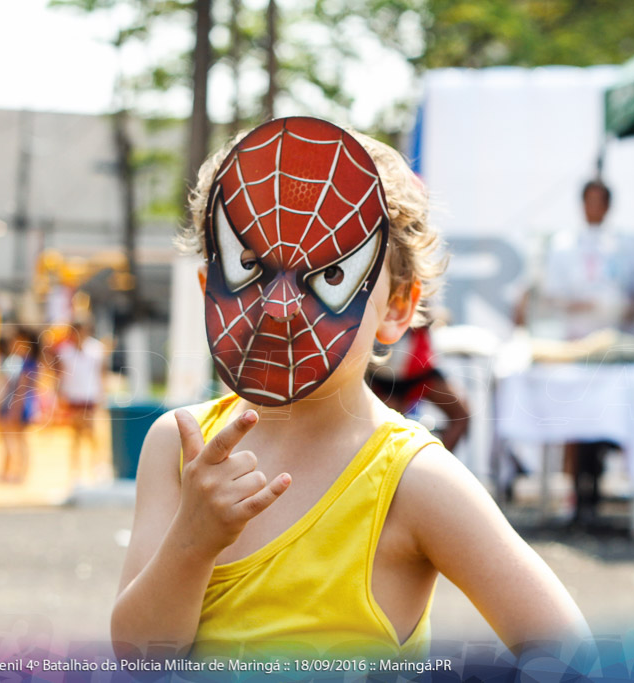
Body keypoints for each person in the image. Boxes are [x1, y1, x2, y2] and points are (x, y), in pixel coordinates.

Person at [112, 118, 588, 661]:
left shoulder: (412, 481)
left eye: (330, 276)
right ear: (208, 287)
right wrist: (191, 543)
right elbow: (138, 656)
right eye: (249, 267)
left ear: (399, 308)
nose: (278, 306)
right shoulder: (177, 446)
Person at [538, 179, 634, 522]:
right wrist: (585, 306)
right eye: (589, 200)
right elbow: (552, 296)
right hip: (577, 348)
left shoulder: (625, 246)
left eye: (600, 201)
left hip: (615, 350)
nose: (594, 207)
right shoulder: (564, 245)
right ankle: (580, 492)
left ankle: (601, 488)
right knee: (576, 423)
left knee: (609, 422)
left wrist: (620, 308)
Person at [55, 320, 107, 484]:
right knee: (76, 434)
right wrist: (59, 395)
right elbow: (60, 374)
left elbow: (101, 374)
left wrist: (102, 394)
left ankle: (97, 466)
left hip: (90, 396)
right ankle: (76, 470)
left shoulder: (96, 349)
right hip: (72, 396)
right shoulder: (65, 351)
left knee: (91, 433)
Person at [0, 328, 40, 484]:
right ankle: (18, 472)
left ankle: (20, 473)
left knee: (18, 441)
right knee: (20, 441)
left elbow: (21, 389)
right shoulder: (29, 362)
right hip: (24, 403)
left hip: (20, 404)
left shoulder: (26, 363)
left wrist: (14, 410)